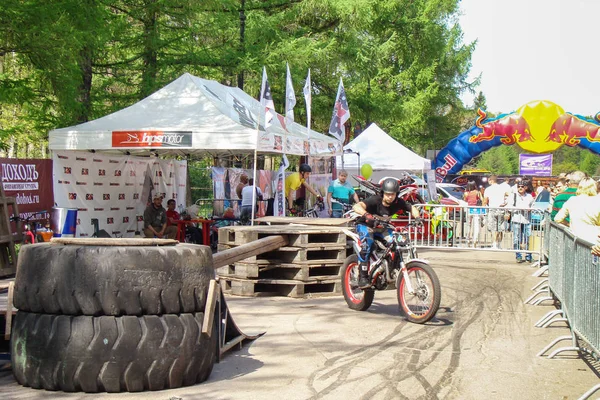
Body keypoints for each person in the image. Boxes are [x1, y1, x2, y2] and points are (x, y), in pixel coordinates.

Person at [352, 177, 421, 288]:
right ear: (383, 193)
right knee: (367, 244)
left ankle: (391, 269)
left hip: (382, 228)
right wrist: (366, 215)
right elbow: (356, 206)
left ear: (396, 194)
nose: (390, 197)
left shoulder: (398, 202)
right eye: (388, 194)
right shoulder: (375, 200)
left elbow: (412, 208)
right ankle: (363, 277)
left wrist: (417, 218)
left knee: (398, 242)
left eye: (393, 194)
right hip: (365, 226)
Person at [554, 178, 600, 243]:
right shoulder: (597, 201)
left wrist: (569, 224)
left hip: (575, 239)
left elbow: (557, 219)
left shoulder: (572, 200)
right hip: (593, 240)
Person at [506, 179, 534, 263]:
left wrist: (529, 209)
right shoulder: (513, 196)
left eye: (522, 187)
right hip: (516, 219)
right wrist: (518, 208)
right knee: (516, 238)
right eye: (519, 187)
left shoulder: (529, 196)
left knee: (528, 238)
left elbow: (533, 206)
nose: (520, 188)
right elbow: (509, 207)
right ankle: (518, 255)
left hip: (526, 220)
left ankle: (528, 255)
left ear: (525, 187)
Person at [484, 175, 509, 249]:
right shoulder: (502, 188)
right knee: (500, 227)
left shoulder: (488, 189)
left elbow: (485, 200)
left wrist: (483, 210)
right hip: (501, 209)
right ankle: (499, 244)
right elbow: (508, 196)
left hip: (492, 209)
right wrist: (505, 204)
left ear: (491, 180)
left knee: (493, 227)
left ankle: (494, 244)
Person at [463, 181, 483, 247]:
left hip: (469, 209)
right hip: (476, 209)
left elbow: (465, 200)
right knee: (476, 225)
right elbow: (482, 200)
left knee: (468, 225)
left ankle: (468, 239)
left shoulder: (466, 193)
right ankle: (475, 240)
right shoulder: (478, 192)